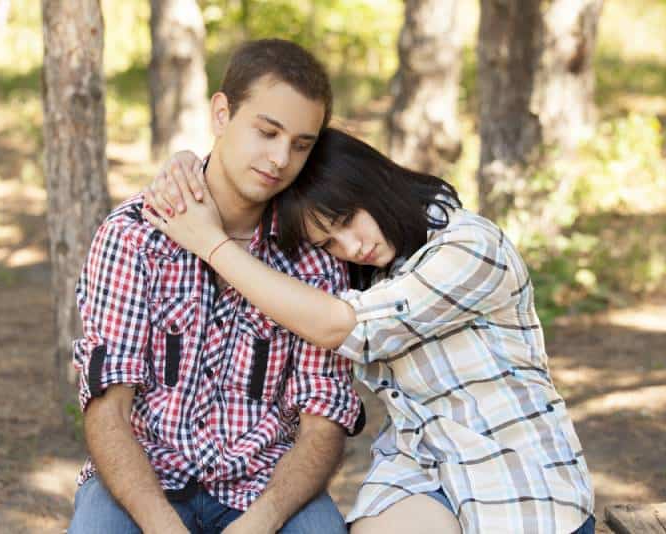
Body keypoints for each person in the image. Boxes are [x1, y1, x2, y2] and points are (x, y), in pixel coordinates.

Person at [142, 128, 596, 534]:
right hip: (424, 467)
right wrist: (190, 167)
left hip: (513, 469)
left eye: (346, 222)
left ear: (371, 183)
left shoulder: (472, 247)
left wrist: (210, 244)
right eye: (329, 244)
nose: (352, 248)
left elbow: (344, 327)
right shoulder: (372, 269)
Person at [68, 40, 364, 534]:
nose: (279, 159)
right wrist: (162, 526)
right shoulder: (135, 236)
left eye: (300, 144)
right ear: (222, 113)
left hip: (266, 486)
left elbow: (322, 420)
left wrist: (263, 520)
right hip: (147, 480)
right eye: (267, 131)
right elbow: (107, 409)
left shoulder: (314, 257)